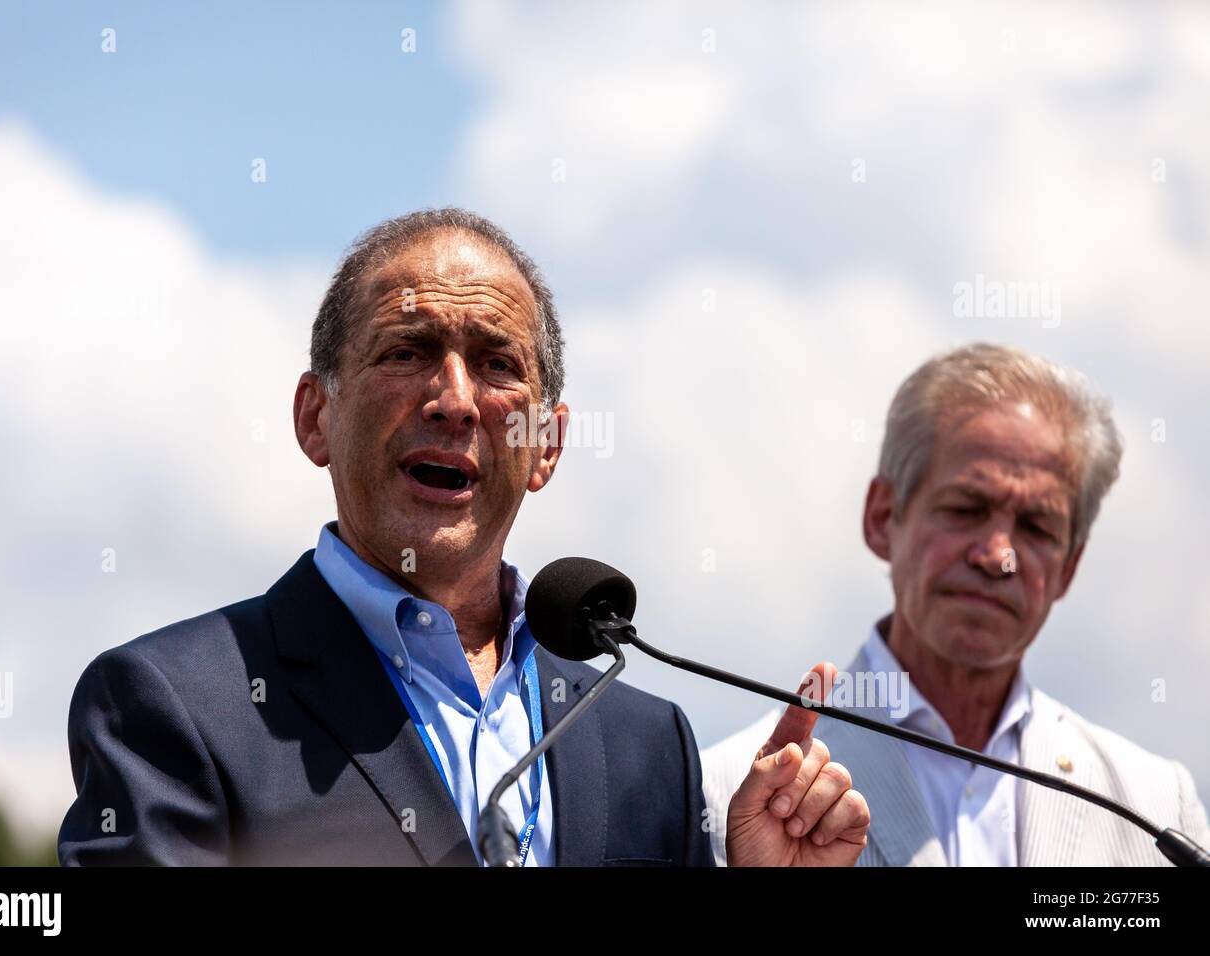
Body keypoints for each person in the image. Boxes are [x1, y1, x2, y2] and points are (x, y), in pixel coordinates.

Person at [58, 208, 869, 866]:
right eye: (407, 352)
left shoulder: (645, 744)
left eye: (496, 365)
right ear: (316, 418)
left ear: (545, 446)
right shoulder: (173, 705)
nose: (454, 399)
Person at [703, 343, 1209, 866]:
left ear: (1069, 566)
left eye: (1037, 528)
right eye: (966, 508)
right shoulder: (731, 793)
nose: (998, 557)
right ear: (882, 517)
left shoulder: (1153, 806)